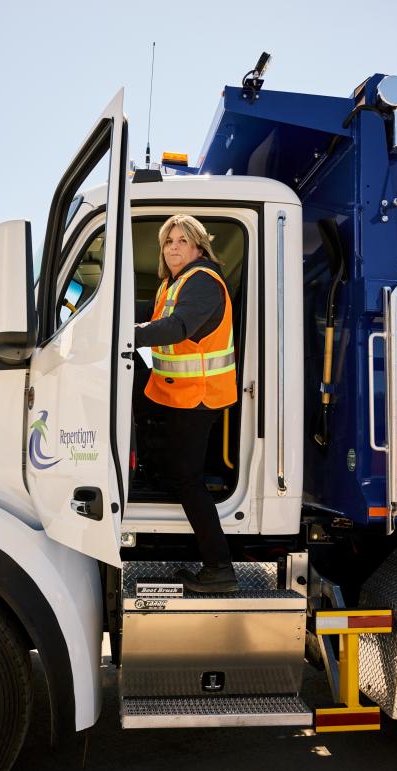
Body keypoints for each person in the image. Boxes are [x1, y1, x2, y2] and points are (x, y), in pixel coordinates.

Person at [134, 214, 238, 592]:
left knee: (188, 479)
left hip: (198, 396)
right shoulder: (171, 285)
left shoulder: (203, 282)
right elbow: (150, 315)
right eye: (168, 241)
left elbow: (177, 328)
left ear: (198, 247)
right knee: (175, 466)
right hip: (177, 394)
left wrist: (125, 335)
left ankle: (219, 568)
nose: (174, 247)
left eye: (182, 240)